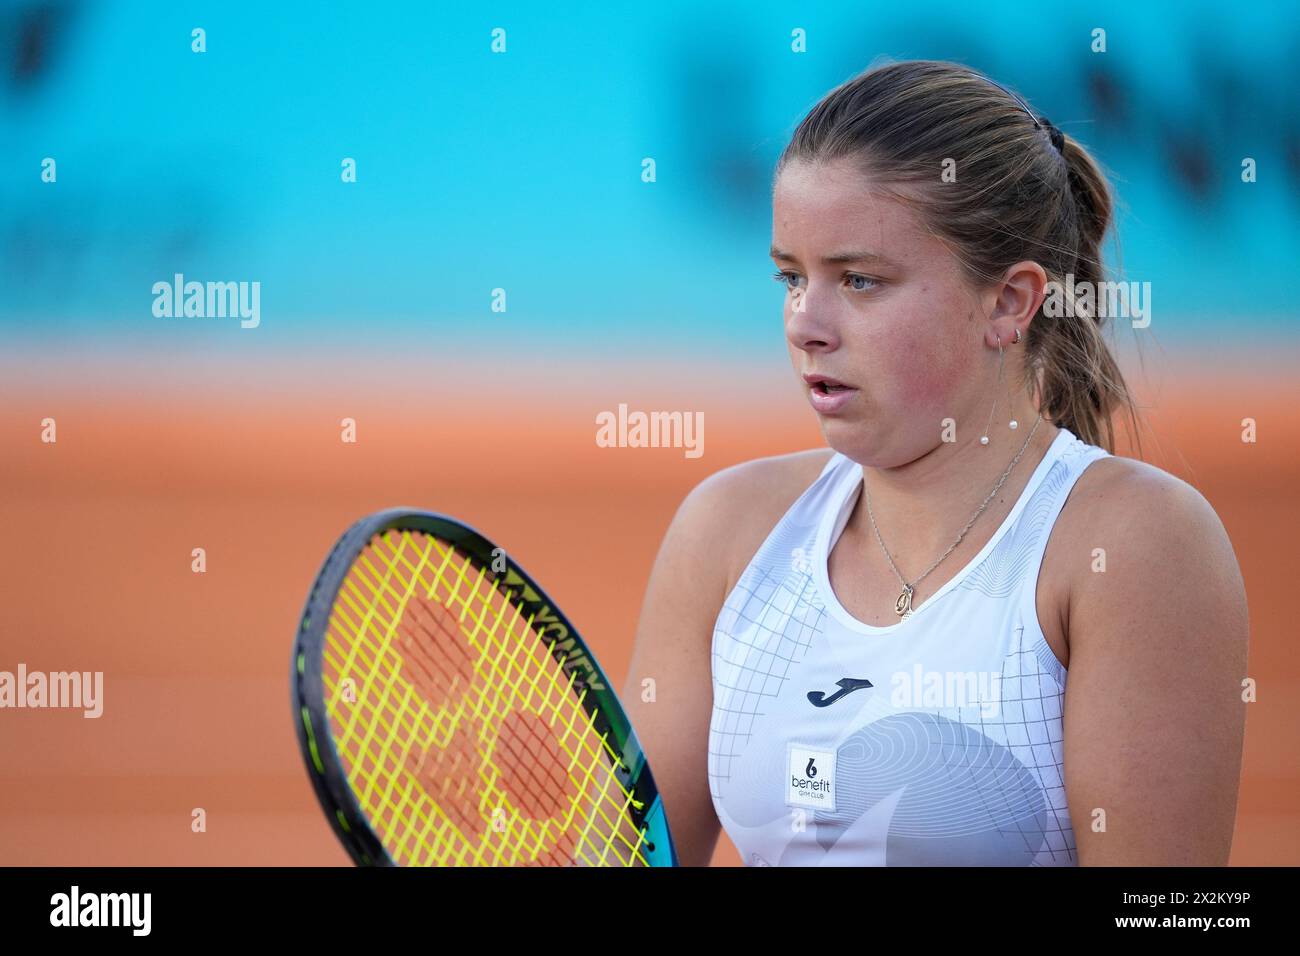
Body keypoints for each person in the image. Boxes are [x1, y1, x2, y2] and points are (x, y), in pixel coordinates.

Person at [621, 59, 1248, 867]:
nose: (805, 323)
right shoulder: (727, 528)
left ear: (1009, 301)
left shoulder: (1138, 545)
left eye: (859, 280)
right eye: (790, 276)